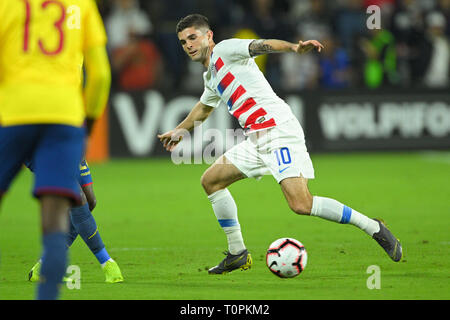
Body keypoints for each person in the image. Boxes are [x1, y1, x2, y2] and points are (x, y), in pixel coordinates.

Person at [158, 14, 402, 275]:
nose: (188, 45)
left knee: (301, 204)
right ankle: (237, 253)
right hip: (256, 140)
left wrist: (294, 48)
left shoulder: (227, 49)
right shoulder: (211, 76)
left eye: (193, 37)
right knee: (211, 181)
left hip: (277, 130)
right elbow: (203, 110)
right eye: (183, 42)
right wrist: (179, 131)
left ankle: (374, 227)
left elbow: (262, 45)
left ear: (208, 36)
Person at [0, 0, 111, 299]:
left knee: (84, 201)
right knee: (55, 218)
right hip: (64, 118)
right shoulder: (82, 6)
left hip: (14, 113)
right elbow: (100, 75)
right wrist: (85, 126)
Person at [26, 159, 124, 284]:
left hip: (71, 151)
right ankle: (106, 262)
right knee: (78, 197)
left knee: (90, 202)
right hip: (46, 151)